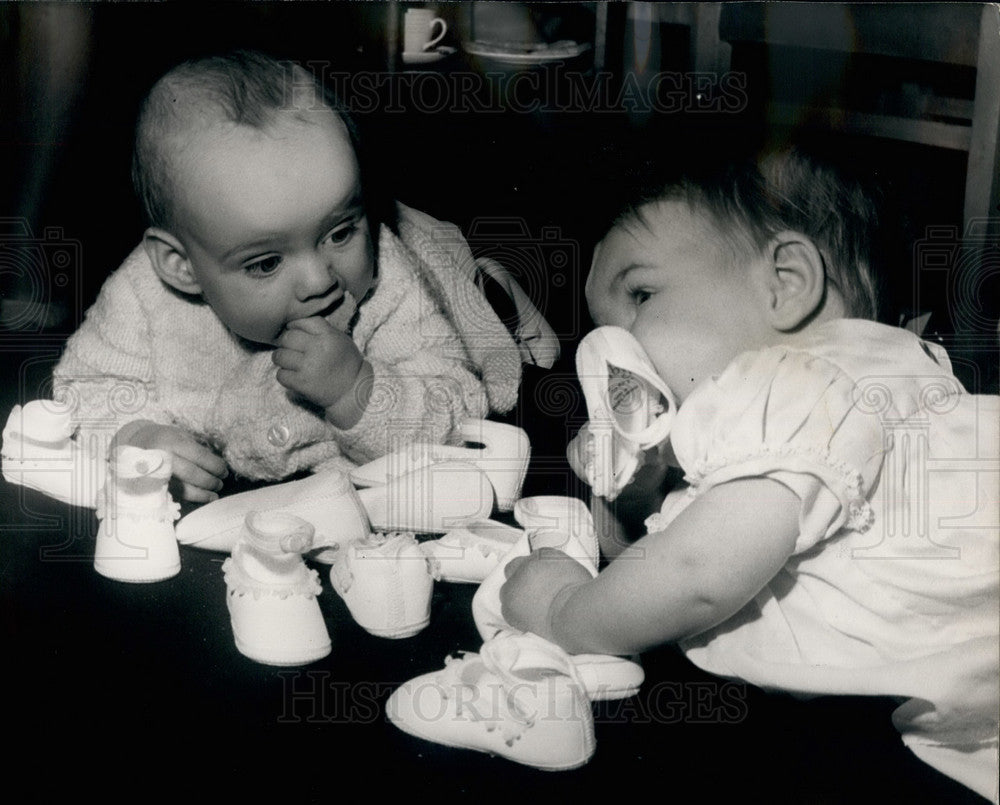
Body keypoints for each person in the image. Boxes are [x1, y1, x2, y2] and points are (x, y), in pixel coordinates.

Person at [499, 144, 999, 801]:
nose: (611, 349)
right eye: (600, 328)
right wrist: (635, 483)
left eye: (642, 295)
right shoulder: (884, 384)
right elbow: (650, 560)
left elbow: (691, 577)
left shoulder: (796, 377)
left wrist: (564, 610)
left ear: (785, 284)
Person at [51, 50, 523, 503]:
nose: (320, 280)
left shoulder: (388, 285)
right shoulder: (143, 298)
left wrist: (358, 391)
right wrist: (137, 438)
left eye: (340, 232)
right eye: (266, 263)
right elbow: (84, 393)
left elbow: (459, 407)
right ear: (181, 266)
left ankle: (487, 284)